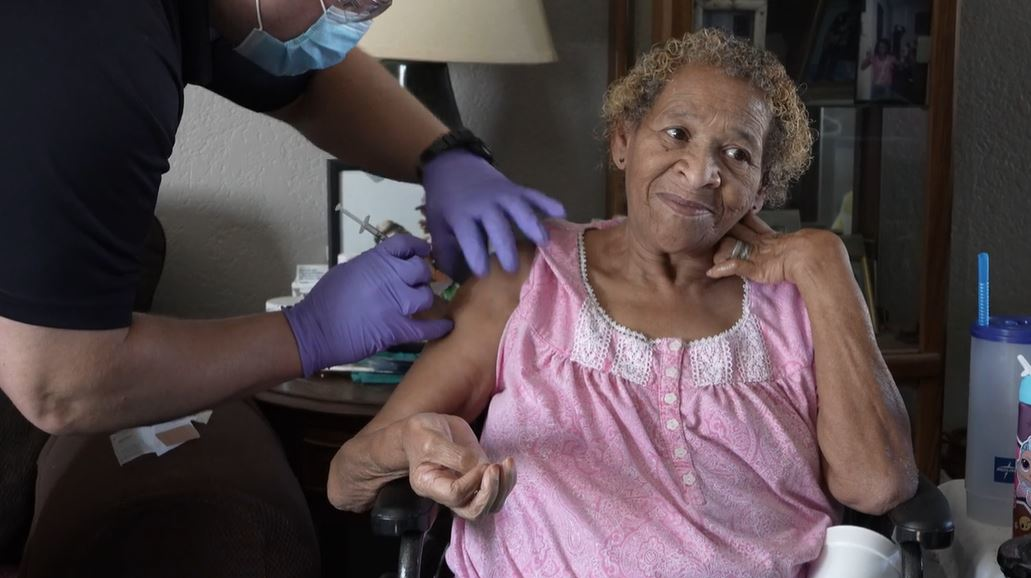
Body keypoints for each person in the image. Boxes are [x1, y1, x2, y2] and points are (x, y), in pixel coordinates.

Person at [329, 28, 918, 577]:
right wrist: (415, 449)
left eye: (737, 154)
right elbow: (345, 478)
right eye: (676, 133)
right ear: (622, 141)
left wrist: (828, 266)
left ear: (762, 188)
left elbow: (878, 487)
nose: (700, 171)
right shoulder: (530, 274)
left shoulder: (798, 301)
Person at [0, 0, 564, 434]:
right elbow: (59, 384)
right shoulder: (94, 48)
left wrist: (446, 155)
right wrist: (309, 332)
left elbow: (308, 85)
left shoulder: (213, 12)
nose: (353, 21)